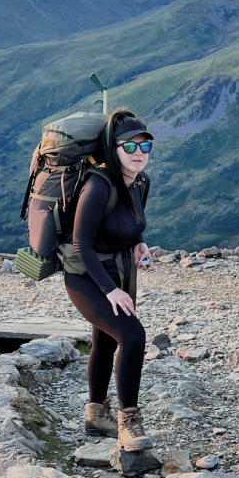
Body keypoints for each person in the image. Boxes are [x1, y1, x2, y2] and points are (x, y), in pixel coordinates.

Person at [64, 108, 156, 450]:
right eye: (128, 147)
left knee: (106, 339)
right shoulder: (98, 184)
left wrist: (139, 242)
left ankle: (95, 415)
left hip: (115, 272)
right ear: (113, 149)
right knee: (132, 335)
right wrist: (111, 290)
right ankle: (128, 422)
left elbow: (127, 225)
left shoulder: (139, 183)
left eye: (144, 146)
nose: (138, 154)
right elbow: (82, 244)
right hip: (86, 277)